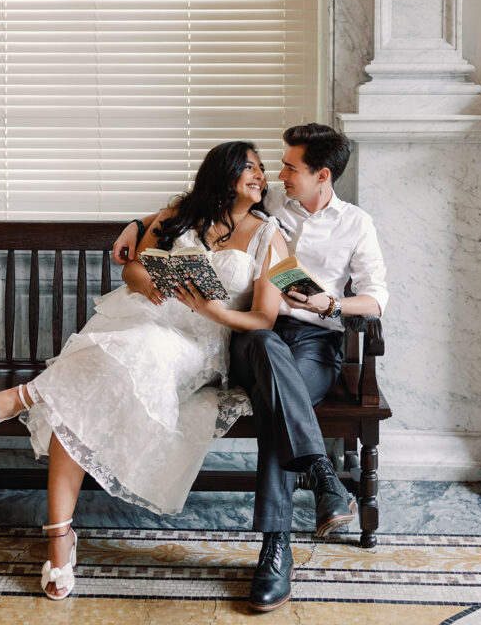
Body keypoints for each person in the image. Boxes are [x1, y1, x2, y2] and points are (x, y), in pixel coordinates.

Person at [0, 141, 289, 600]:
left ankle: (23, 396)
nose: (260, 175)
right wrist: (153, 282)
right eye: (249, 166)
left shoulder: (269, 236)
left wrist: (214, 311)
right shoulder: (182, 212)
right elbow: (132, 271)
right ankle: (59, 537)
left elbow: (264, 319)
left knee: (116, 363)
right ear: (224, 171)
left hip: (197, 342)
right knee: (84, 394)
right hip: (142, 316)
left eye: (262, 169)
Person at [113, 123, 388, 612]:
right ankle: (322, 475)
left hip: (313, 343)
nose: (278, 175)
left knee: (274, 400)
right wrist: (137, 224)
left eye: (291, 168)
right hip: (251, 337)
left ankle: (275, 550)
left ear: (322, 175)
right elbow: (199, 204)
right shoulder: (269, 205)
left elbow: (376, 299)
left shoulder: (356, 224)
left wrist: (329, 304)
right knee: (263, 343)